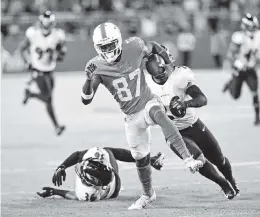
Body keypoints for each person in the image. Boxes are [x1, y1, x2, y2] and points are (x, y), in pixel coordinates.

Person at [80, 22, 203, 210]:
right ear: (98, 48)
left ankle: (188, 159)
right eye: (104, 47)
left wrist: (169, 64)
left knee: (160, 116)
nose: (109, 49)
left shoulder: (134, 46)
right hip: (130, 116)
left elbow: (153, 46)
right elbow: (86, 99)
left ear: (119, 41)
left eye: (111, 44)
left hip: (147, 102)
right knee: (141, 158)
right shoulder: (95, 66)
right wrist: (88, 80)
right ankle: (147, 195)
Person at [145, 47, 239, 199]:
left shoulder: (179, 76)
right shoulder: (148, 86)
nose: (166, 72)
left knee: (219, 159)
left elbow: (202, 99)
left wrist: (185, 104)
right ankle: (223, 183)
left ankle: (231, 181)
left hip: (194, 125)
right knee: (196, 158)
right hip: (173, 133)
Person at [37, 147, 164, 201]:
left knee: (107, 151)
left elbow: (75, 196)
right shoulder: (101, 156)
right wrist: (61, 168)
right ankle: (150, 160)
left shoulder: (88, 193)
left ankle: (150, 160)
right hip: (111, 183)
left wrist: (56, 190)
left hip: (112, 184)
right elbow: (78, 155)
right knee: (108, 151)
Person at [17, 11, 66, 135]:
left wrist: (58, 54)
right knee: (48, 98)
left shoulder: (57, 35)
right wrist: (26, 62)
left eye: (49, 24)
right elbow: (22, 48)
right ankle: (56, 126)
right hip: (38, 70)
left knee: (48, 98)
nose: (47, 26)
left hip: (50, 70)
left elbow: (61, 55)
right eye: (45, 24)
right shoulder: (33, 33)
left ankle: (30, 94)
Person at [223, 13, 260, 125]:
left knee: (255, 91)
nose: (252, 29)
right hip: (240, 69)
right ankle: (230, 84)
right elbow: (230, 54)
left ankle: (257, 117)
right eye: (250, 27)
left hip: (250, 69)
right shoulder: (239, 37)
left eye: (253, 26)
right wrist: (237, 62)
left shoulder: (258, 36)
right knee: (235, 96)